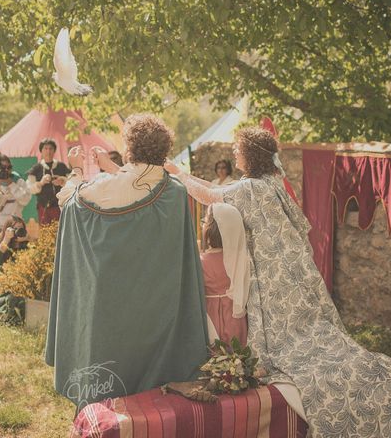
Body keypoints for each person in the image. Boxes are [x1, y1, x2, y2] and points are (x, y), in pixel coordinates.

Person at [165, 126, 391, 437]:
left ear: (250, 154)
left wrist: (176, 173)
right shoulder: (269, 183)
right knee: (315, 332)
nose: (233, 153)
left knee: (293, 348)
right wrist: (184, 174)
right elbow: (220, 190)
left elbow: (209, 195)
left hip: (271, 275)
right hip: (292, 269)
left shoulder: (251, 189)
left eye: (237, 149)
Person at [47, 113, 209, 411]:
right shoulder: (174, 191)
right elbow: (138, 182)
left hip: (108, 308)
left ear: (129, 148)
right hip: (157, 308)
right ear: (163, 149)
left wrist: (76, 170)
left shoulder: (101, 188)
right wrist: (112, 168)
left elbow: (68, 202)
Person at [199, 203, 248, 346]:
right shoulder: (240, 259)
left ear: (210, 229)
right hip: (235, 316)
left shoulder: (200, 261)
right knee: (238, 355)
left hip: (210, 316)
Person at [0, 216, 29, 325]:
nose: (18, 231)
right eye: (15, 229)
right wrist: (6, 240)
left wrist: (28, 239)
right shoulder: (2, 241)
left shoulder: (25, 243)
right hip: (2, 283)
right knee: (9, 298)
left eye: (21, 228)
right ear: (8, 229)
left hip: (20, 281)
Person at [0, 152, 31, 247]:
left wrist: (11, 184)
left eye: (8, 168)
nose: (6, 171)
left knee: (16, 258)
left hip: (15, 226)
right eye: (2, 168)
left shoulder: (19, 182)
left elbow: (25, 200)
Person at [27, 139, 70, 224]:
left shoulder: (62, 166)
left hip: (60, 206)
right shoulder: (36, 168)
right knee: (45, 233)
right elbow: (29, 188)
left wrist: (63, 181)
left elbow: (73, 183)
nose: (48, 151)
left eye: (51, 148)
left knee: (60, 231)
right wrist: (41, 183)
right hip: (43, 207)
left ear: (54, 151)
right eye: (45, 148)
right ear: (41, 151)